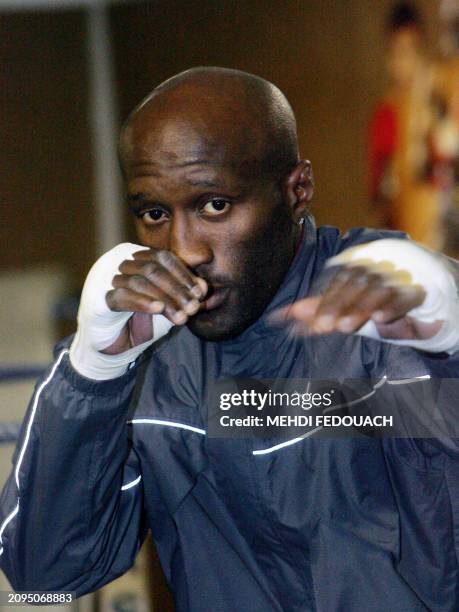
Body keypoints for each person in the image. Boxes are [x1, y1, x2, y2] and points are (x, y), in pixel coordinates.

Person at [1, 67, 458, 612]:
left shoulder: (389, 314)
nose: (186, 250)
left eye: (214, 205)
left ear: (296, 192)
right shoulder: (143, 364)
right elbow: (45, 574)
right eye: (153, 213)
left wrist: (452, 349)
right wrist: (92, 372)